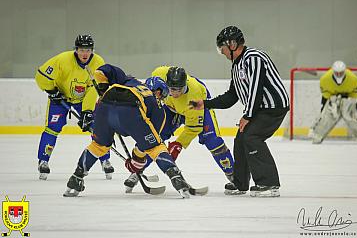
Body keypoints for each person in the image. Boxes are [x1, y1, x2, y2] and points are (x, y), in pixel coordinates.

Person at [64, 64, 194, 198]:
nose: (161, 99)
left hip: (104, 106)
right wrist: (137, 161)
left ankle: (76, 178)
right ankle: (176, 177)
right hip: (131, 110)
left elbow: (104, 70)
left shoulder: (129, 81)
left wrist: (103, 86)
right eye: (162, 96)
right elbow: (148, 144)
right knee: (156, 147)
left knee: (98, 146)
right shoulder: (157, 107)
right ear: (159, 92)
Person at [190, 26, 289, 197]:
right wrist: (205, 104)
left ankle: (269, 183)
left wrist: (248, 115)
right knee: (241, 138)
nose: (222, 52)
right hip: (259, 108)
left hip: (274, 107)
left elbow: (256, 89)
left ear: (232, 44)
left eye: (222, 48)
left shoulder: (254, 58)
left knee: (252, 137)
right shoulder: (237, 66)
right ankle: (240, 183)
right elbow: (231, 97)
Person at [123, 66, 235, 194]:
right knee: (153, 137)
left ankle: (233, 177)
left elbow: (194, 127)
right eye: (171, 89)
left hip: (197, 107)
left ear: (184, 85)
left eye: (178, 89)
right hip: (171, 109)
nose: (174, 93)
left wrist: (178, 144)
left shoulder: (194, 94)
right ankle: (137, 170)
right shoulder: (159, 74)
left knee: (213, 141)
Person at [35, 34, 114, 180]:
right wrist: (52, 91)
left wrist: (87, 111)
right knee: (52, 128)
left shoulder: (98, 62)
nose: (85, 53)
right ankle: (43, 161)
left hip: (83, 99)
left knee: (98, 128)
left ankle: (105, 160)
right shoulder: (62, 59)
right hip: (60, 99)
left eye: (88, 50)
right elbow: (41, 75)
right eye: (82, 49)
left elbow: (93, 88)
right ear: (76, 50)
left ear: (92, 50)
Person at [308, 61, 357, 144]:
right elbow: (326, 95)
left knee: (350, 116)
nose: (339, 74)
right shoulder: (325, 79)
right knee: (329, 115)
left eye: (341, 73)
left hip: (349, 97)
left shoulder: (354, 79)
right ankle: (317, 134)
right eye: (337, 73)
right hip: (333, 97)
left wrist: (349, 104)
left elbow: (355, 95)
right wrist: (333, 103)